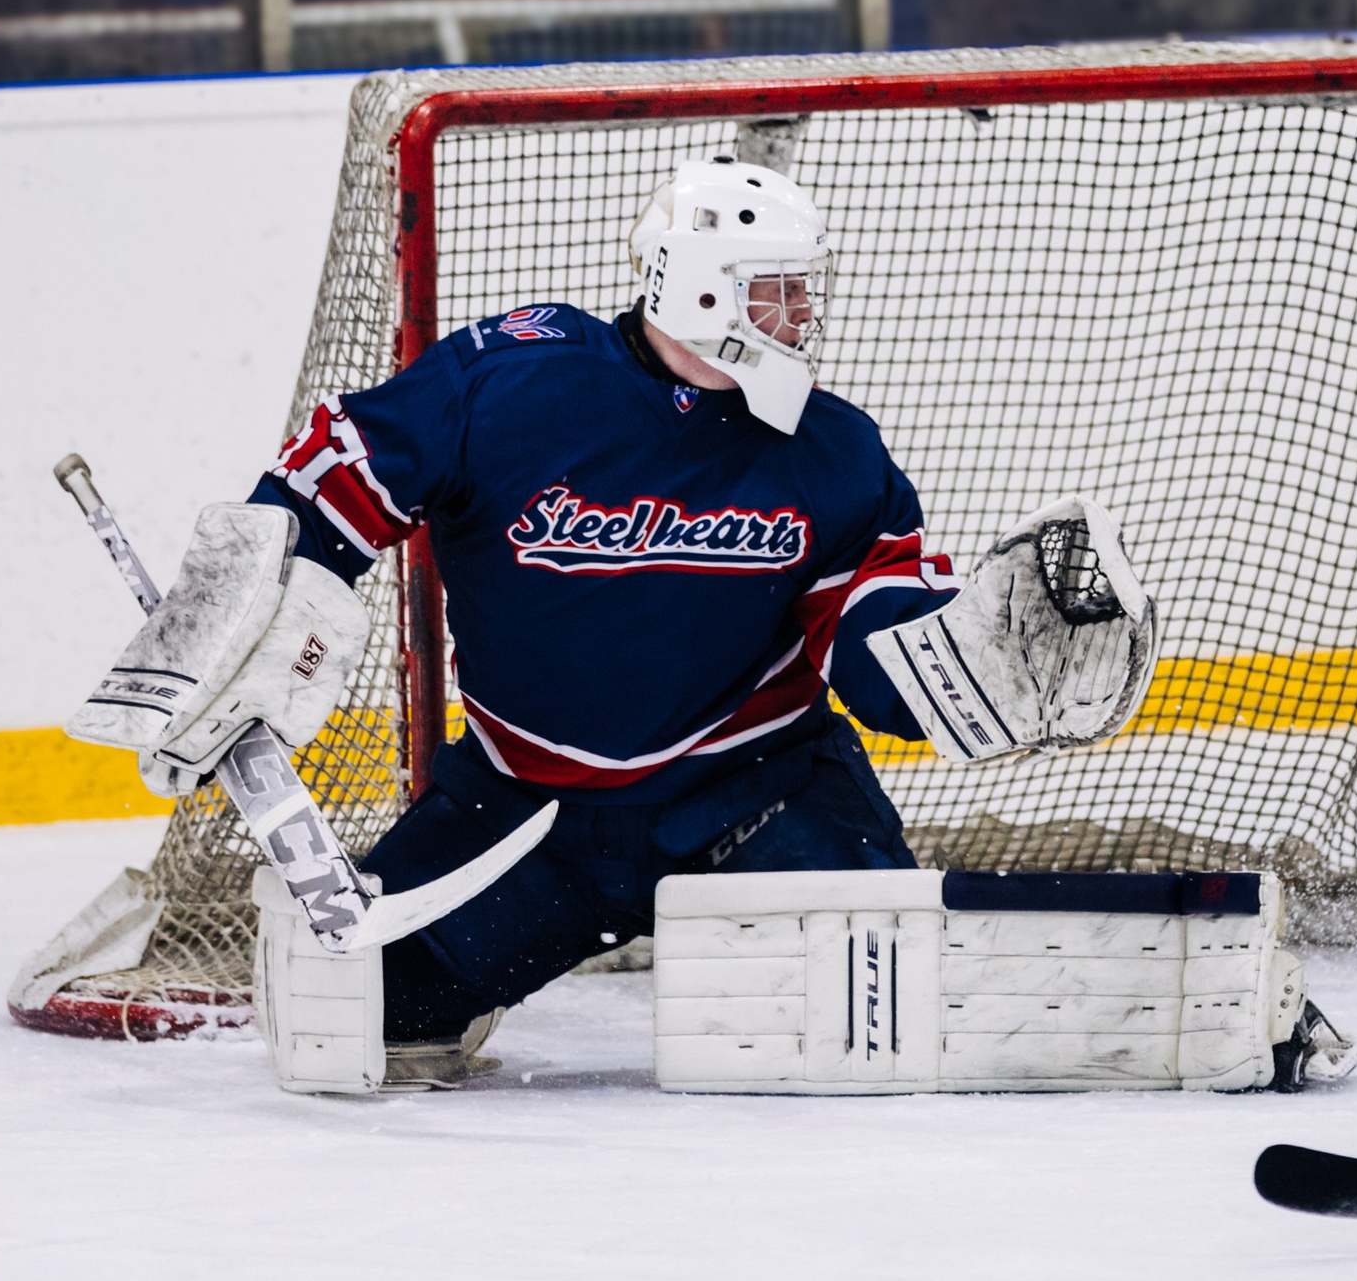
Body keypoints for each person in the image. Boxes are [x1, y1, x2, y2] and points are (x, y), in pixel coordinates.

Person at [65, 155, 1158, 1091]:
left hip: (762, 798)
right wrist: (248, 620)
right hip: (521, 807)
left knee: (886, 1030)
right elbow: (334, 473)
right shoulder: (512, 381)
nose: (802, 316)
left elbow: (866, 642)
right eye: (776, 292)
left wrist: (961, 666)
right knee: (354, 1028)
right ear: (700, 293)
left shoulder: (835, 450)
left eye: (801, 291)